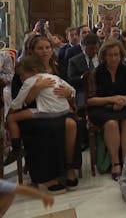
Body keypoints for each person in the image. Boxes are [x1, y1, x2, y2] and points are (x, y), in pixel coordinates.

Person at [10, 35, 80, 193]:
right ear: (32, 51)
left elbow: (71, 92)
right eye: (40, 48)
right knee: (49, 127)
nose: (44, 51)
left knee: (71, 124)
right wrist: (36, 88)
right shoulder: (23, 71)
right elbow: (18, 102)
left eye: (47, 47)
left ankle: (68, 167)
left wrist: (69, 93)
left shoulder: (57, 69)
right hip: (33, 113)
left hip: (58, 109)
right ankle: (45, 175)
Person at [85, 39, 126, 180]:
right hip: (102, 108)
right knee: (111, 124)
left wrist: (124, 99)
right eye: (110, 55)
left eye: (116, 55)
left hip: (125, 105)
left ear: (121, 55)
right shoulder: (97, 72)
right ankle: (115, 163)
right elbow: (90, 99)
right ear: (104, 56)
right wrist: (112, 99)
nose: (114, 58)